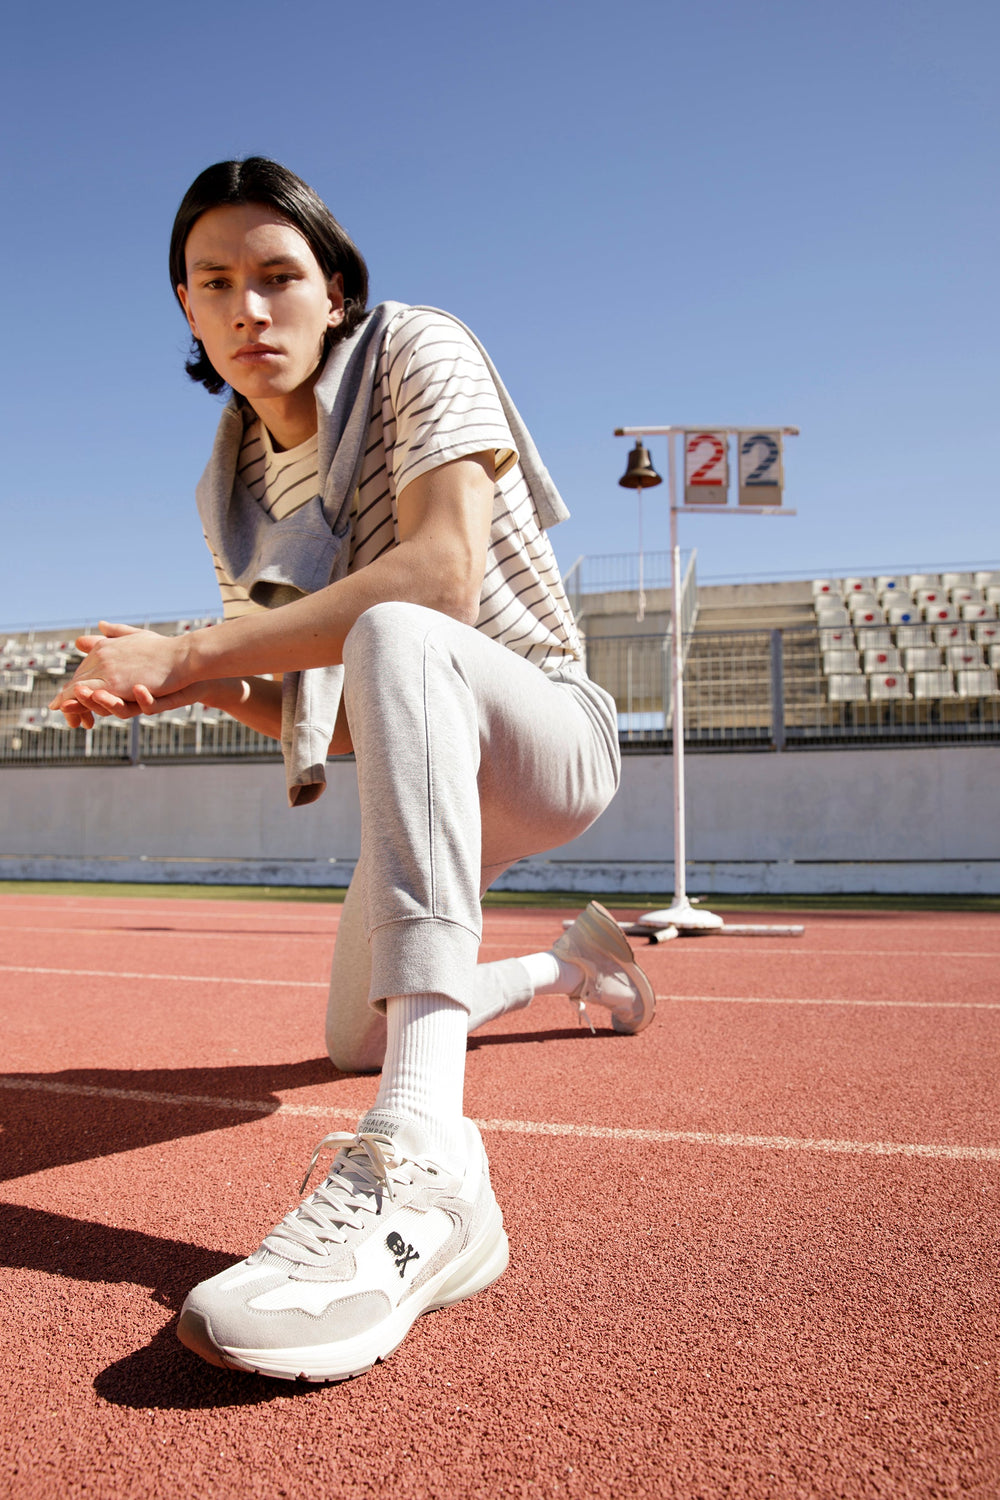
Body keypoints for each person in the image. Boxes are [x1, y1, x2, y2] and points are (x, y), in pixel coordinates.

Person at [51, 157, 654, 1383]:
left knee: (397, 627)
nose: (247, 308)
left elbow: (437, 582)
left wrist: (188, 649)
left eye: (278, 276)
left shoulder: (419, 347)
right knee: (352, 1040)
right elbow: (326, 725)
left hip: (544, 734)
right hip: (417, 761)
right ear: (185, 309)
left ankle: (427, 1170)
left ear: (334, 291)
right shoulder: (230, 489)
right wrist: (186, 683)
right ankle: (571, 964)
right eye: (213, 283)